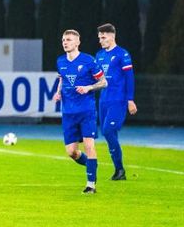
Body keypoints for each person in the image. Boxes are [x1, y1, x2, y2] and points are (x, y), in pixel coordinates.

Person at [53, 29, 107, 194]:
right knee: (71, 152)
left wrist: (89, 87)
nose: (65, 42)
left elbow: (103, 82)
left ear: (77, 42)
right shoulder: (60, 61)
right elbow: (62, 78)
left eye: (68, 40)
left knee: (90, 145)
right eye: (63, 40)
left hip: (86, 111)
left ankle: (91, 184)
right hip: (68, 113)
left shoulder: (88, 61)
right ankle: (93, 165)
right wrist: (58, 91)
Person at [95, 23, 137, 181]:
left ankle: (120, 169)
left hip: (118, 100)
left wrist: (130, 100)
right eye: (99, 38)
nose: (101, 40)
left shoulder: (122, 54)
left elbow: (129, 78)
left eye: (103, 37)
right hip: (103, 100)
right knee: (108, 133)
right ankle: (119, 171)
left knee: (107, 131)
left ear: (112, 36)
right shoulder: (99, 55)